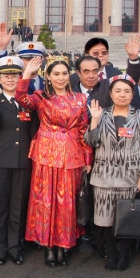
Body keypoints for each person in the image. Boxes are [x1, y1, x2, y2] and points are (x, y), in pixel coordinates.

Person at [15, 55, 92, 267]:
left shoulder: (80, 99)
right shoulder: (42, 97)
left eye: (64, 73)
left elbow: (83, 130)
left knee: (66, 203)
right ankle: (48, 246)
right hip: (46, 155)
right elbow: (21, 98)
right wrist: (27, 74)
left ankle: (63, 245)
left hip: (72, 155)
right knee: (46, 201)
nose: (61, 78)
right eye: (56, 74)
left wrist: (87, 159)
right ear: (48, 76)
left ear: (70, 75)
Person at [85, 74, 140, 271]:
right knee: (105, 218)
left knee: (126, 217)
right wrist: (95, 121)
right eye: (118, 91)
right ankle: (111, 253)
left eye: (126, 91)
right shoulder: (101, 114)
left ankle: (124, 253)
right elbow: (91, 142)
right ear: (111, 93)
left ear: (132, 94)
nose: (122, 95)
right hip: (104, 175)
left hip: (129, 175)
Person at [0, 56, 34, 266]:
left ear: (20, 77)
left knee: (18, 207)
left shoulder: (28, 101)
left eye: (14, 75)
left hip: (23, 160)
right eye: (6, 76)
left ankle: (15, 248)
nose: (10, 79)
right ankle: (0, 249)